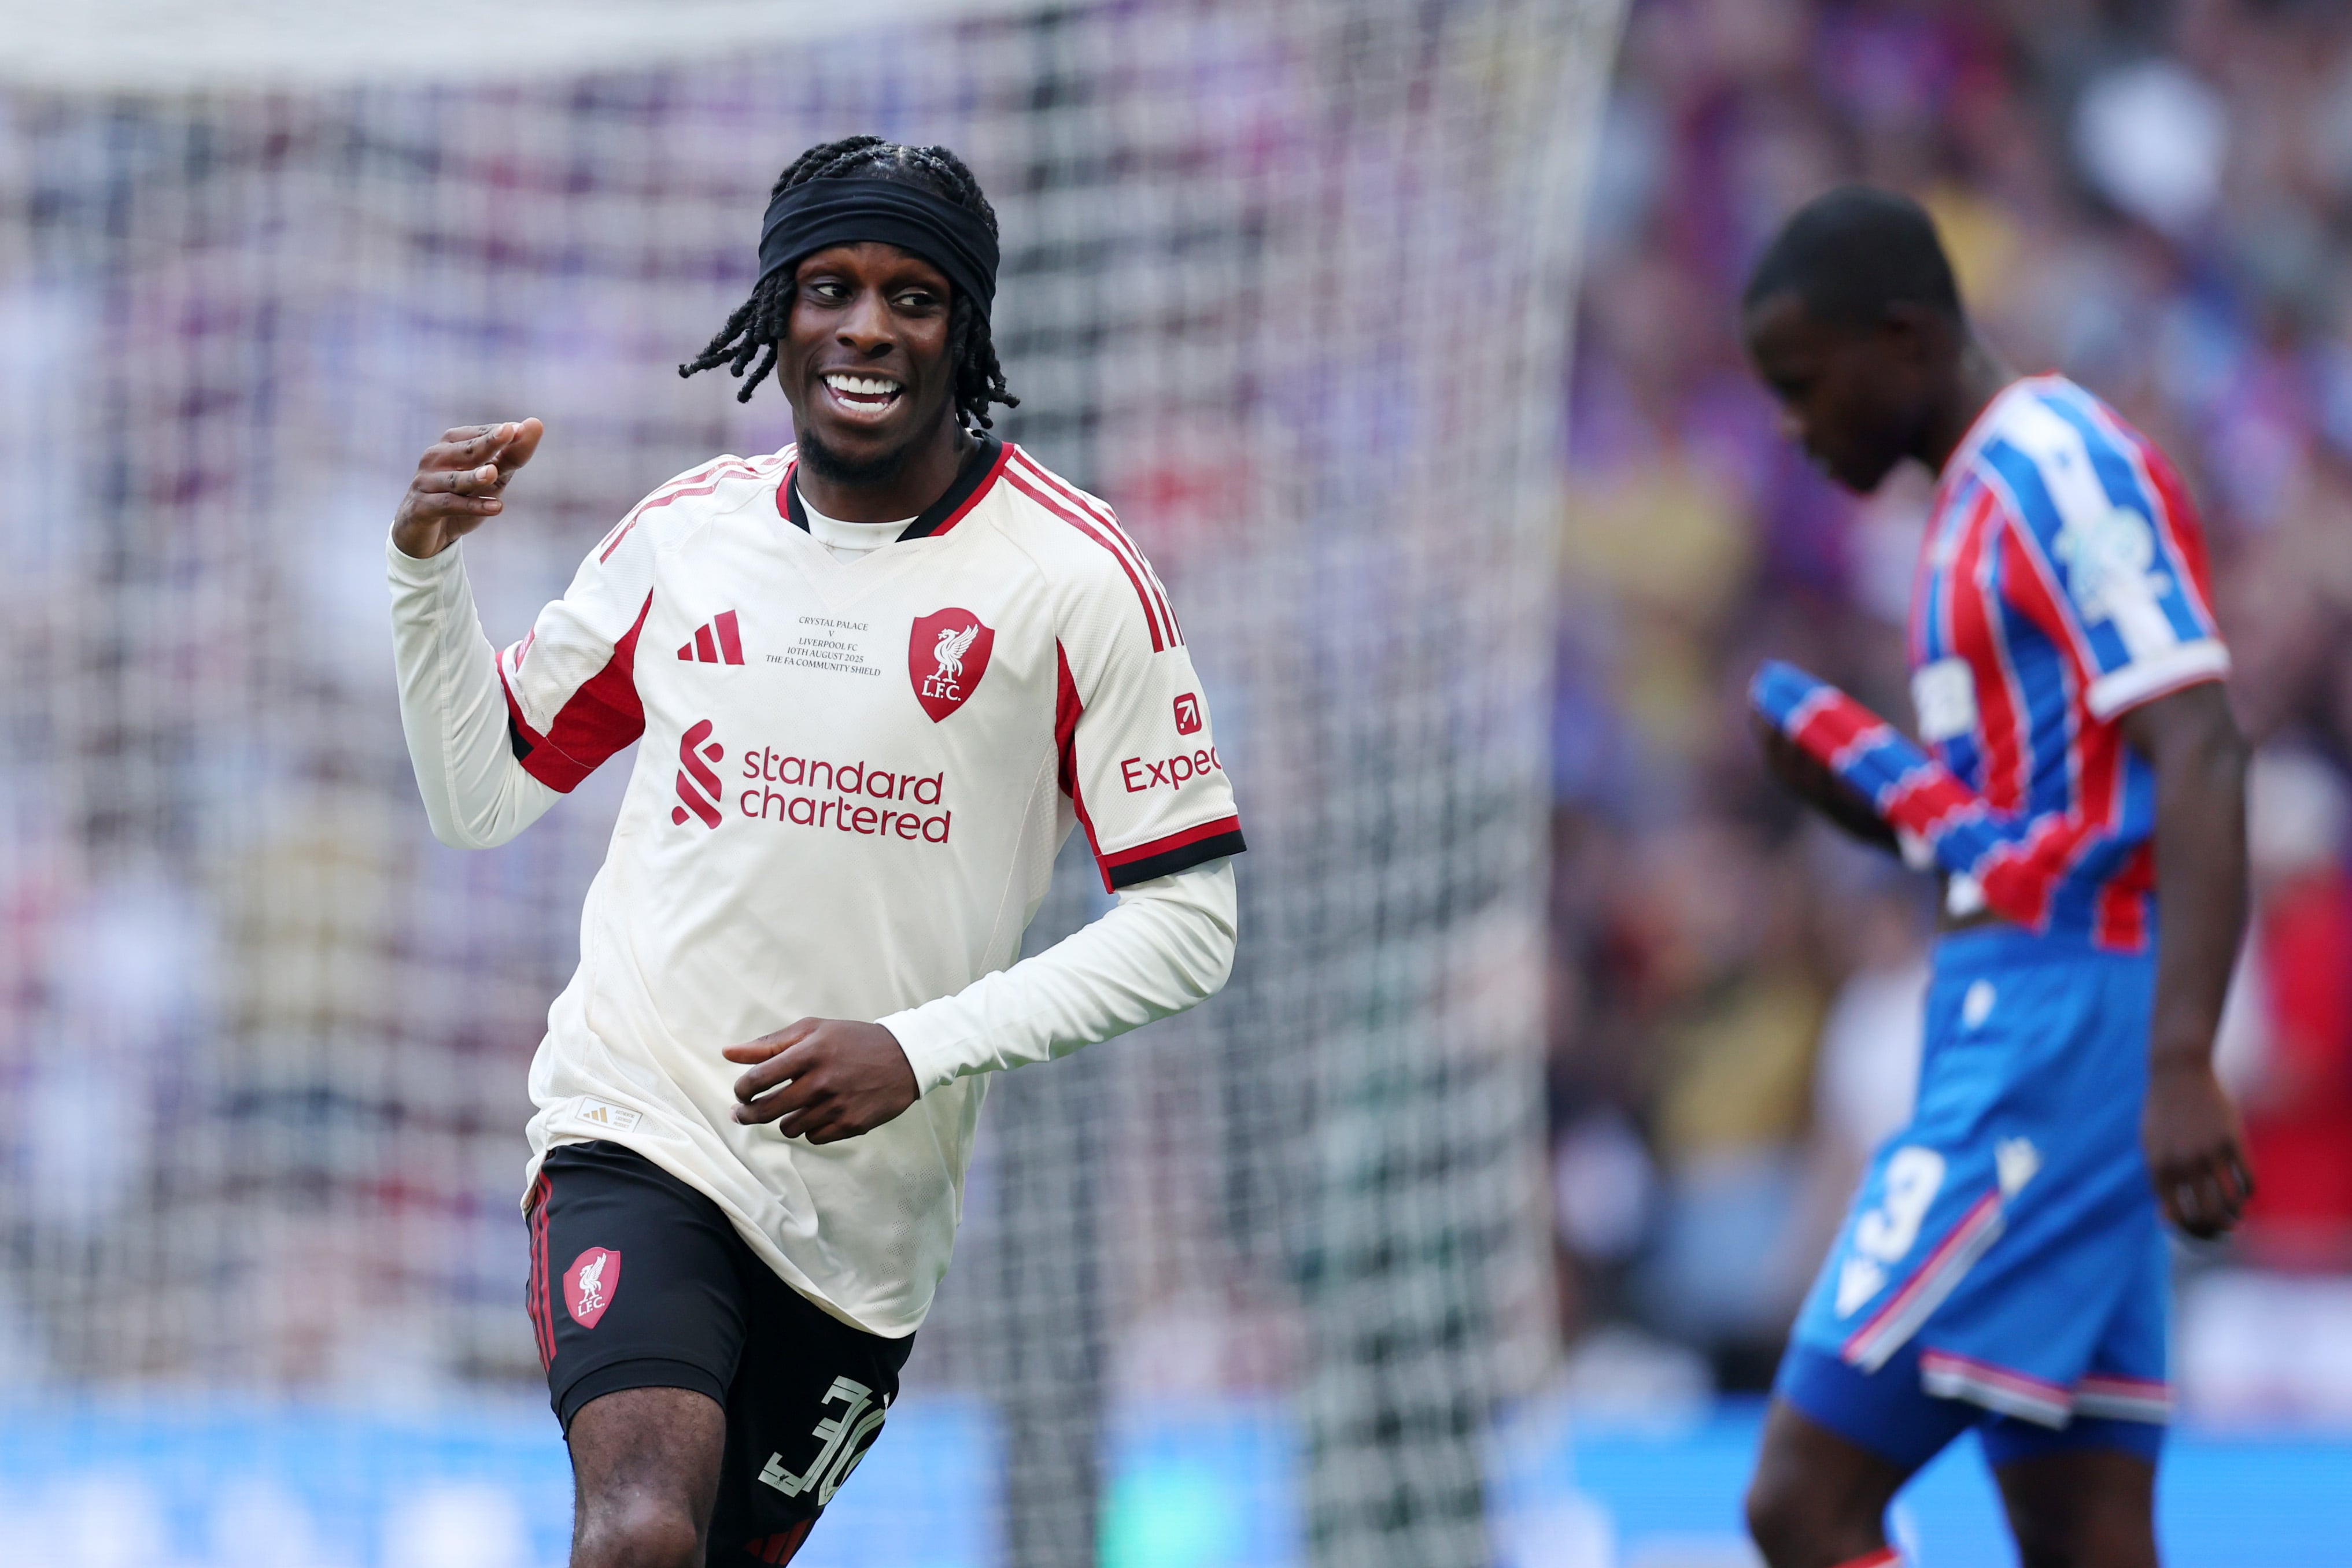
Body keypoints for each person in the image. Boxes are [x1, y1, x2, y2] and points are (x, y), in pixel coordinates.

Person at [386, 136, 1245, 1567]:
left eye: (912, 297)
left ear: (963, 330)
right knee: (639, 1534)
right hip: (638, 1123)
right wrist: (425, 574)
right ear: (776, 309)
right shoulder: (688, 536)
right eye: (830, 287)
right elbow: (481, 792)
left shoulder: (1075, 579)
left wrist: (916, 1047)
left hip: (861, 1236)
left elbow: (1190, 923)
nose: (865, 327)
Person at [1736, 186, 2252, 1568]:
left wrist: (2185, 1055)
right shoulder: (1966, 508)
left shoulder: (2054, 463)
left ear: (1903, 339)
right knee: (2086, 1538)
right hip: (2020, 1012)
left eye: (1804, 384)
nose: (1795, 425)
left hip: (2059, 1041)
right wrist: (1870, 801)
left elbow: (2200, 742)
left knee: (1801, 1503)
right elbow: (2035, 835)